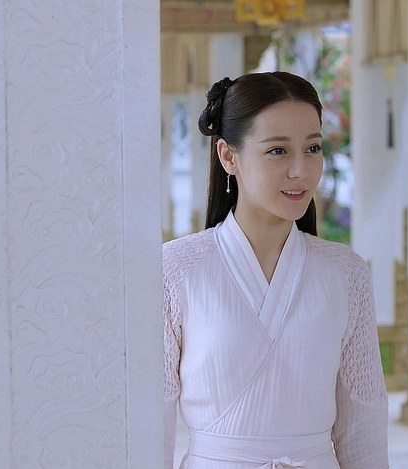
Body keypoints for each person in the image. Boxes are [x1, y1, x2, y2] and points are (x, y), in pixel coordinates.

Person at [163, 71, 388, 468]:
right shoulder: (176, 269)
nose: (301, 170)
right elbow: (150, 420)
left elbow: (363, 423)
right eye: (278, 151)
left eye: (313, 148)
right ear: (228, 156)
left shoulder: (345, 273)